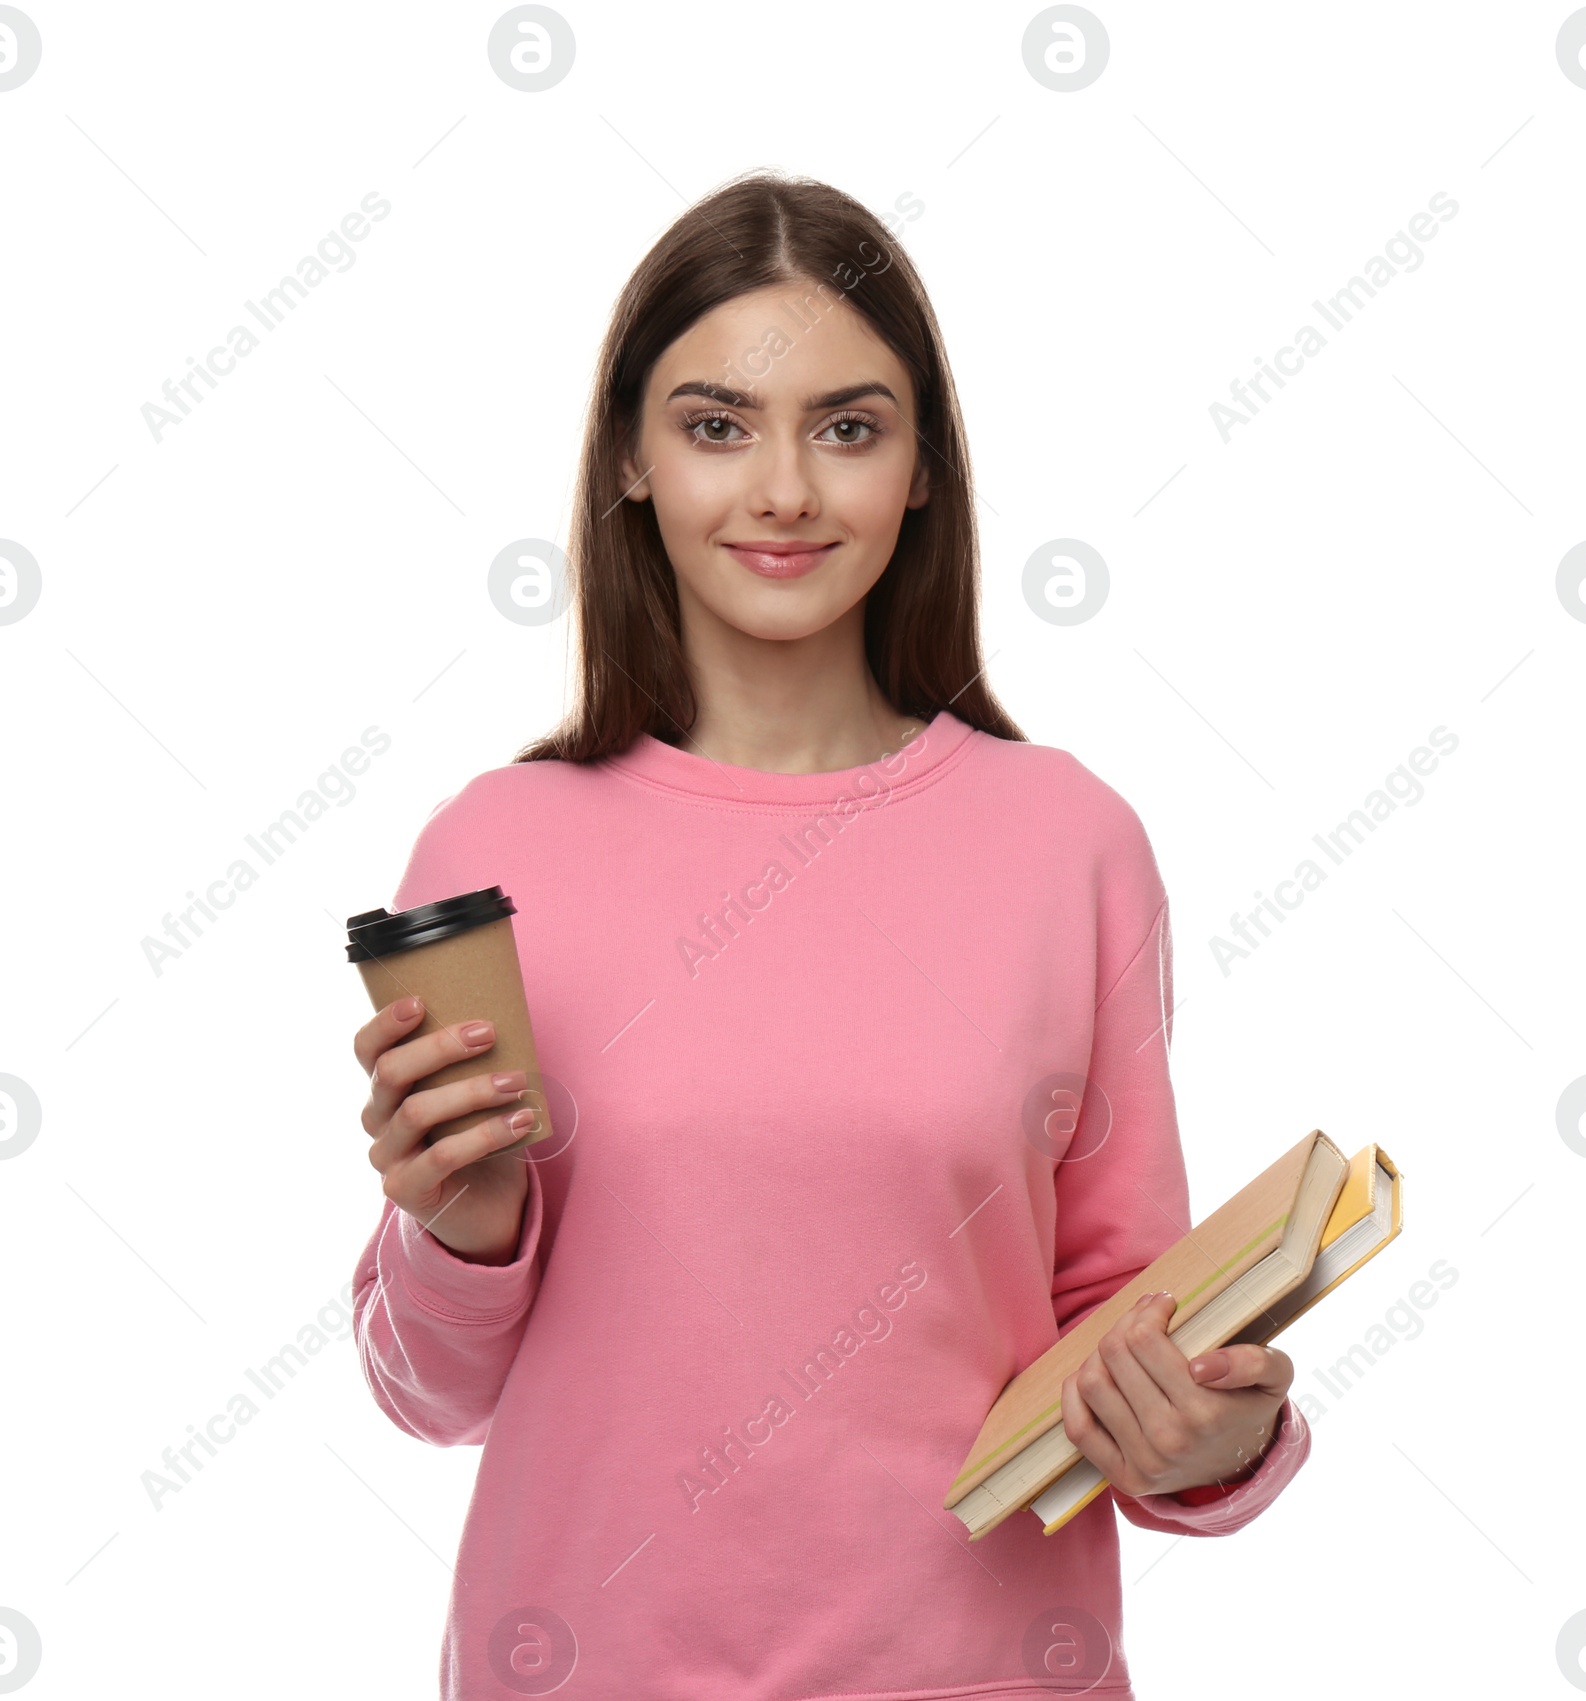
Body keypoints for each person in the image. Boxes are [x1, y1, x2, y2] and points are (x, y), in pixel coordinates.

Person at [350, 168, 1309, 1700]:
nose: (784, 489)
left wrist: (1226, 1437)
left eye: (847, 427)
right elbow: (433, 1398)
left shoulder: (1070, 842)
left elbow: (1132, 1326)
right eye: (717, 424)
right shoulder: (490, 852)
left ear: (923, 468)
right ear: (630, 463)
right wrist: (457, 1227)